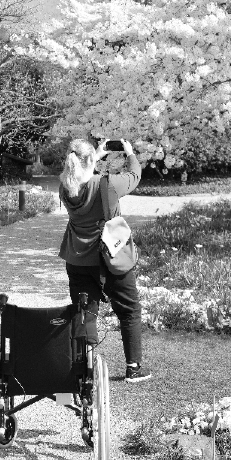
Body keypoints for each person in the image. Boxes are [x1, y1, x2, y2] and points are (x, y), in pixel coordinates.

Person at [58, 138, 152, 383]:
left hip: (78, 258)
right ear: (90, 160)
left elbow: (79, 172)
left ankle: (83, 369)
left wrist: (96, 155)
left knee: (85, 312)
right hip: (110, 255)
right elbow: (134, 175)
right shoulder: (106, 185)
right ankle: (133, 367)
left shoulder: (65, 187)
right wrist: (130, 153)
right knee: (129, 308)